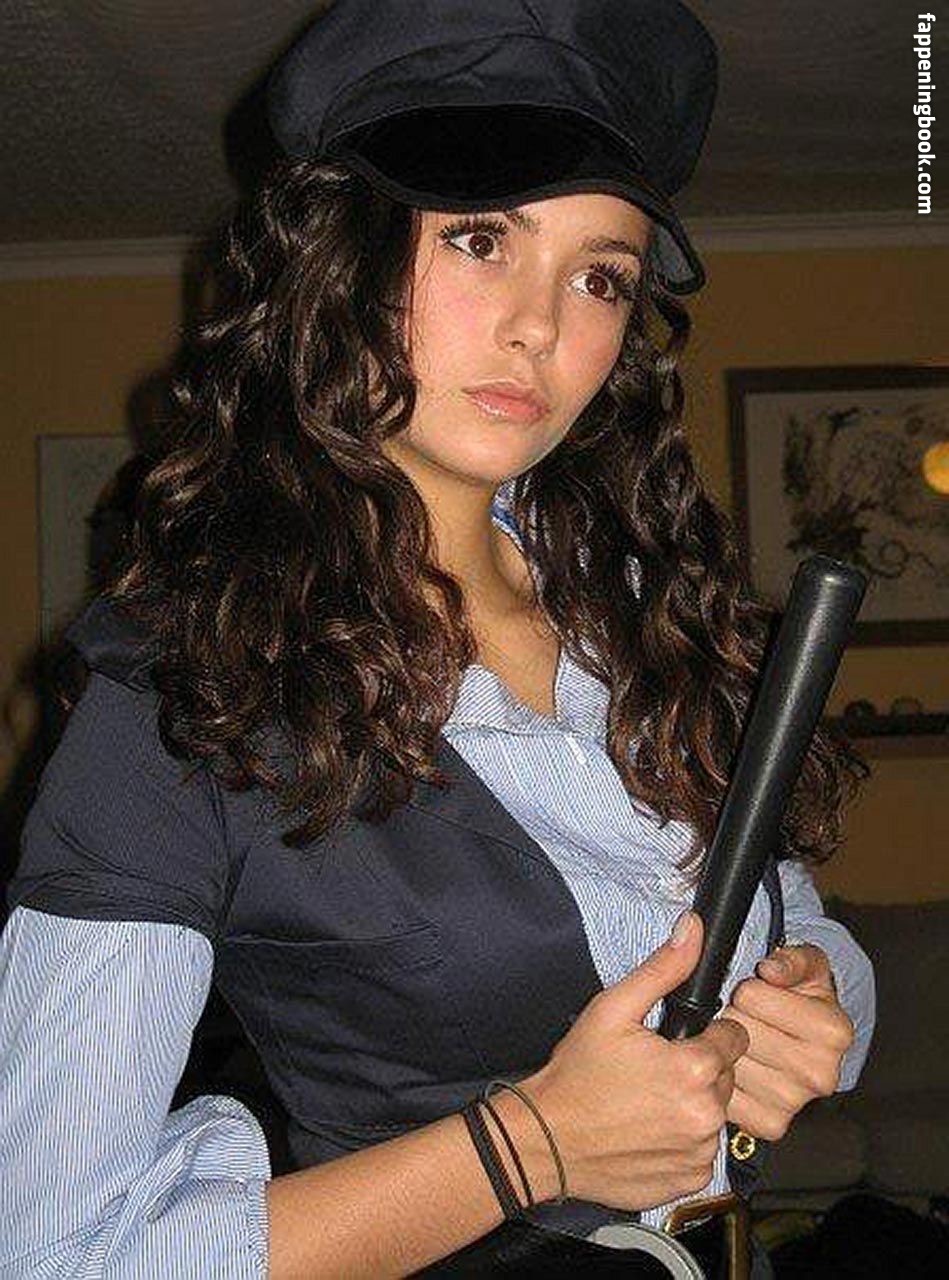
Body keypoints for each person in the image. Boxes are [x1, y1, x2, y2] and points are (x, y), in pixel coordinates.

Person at [1, 2, 875, 1277]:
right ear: (338, 261)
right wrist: (528, 1145)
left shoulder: (640, 616)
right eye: (480, 238)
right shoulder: (184, 687)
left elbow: (786, 910)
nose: (540, 325)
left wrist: (812, 992)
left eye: (599, 275)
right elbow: (54, 1249)